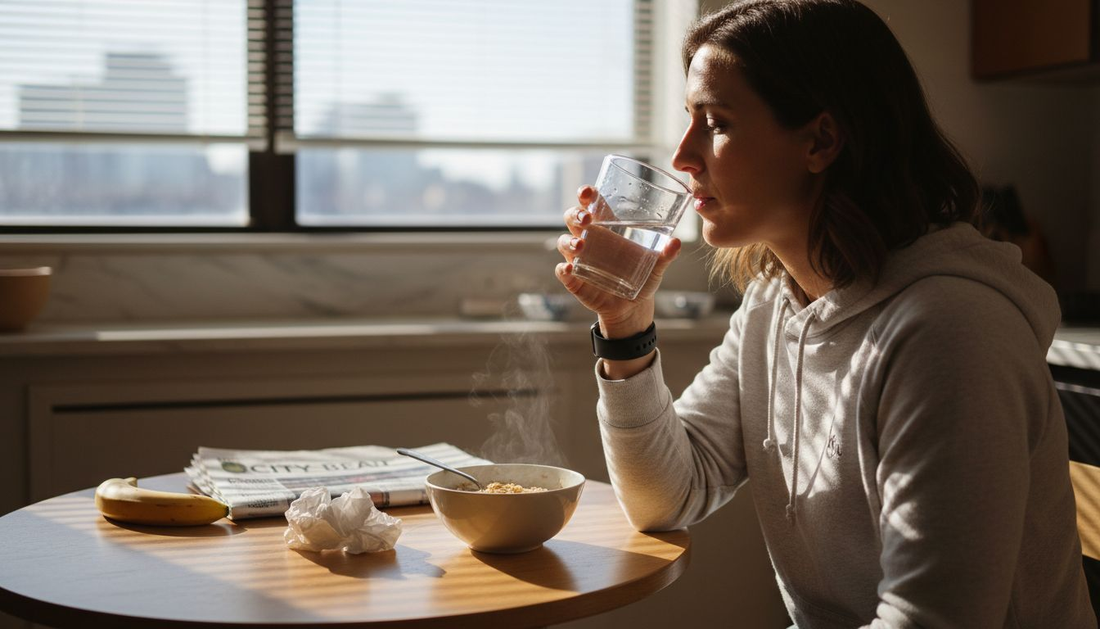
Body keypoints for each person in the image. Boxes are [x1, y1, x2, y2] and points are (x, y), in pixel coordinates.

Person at [553, 1, 1096, 627]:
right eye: (689, 121)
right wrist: (625, 323)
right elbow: (668, 495)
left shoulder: (949, 333)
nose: (682, 156)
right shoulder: (775, 305)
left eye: (716, 123)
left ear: (821, 140)